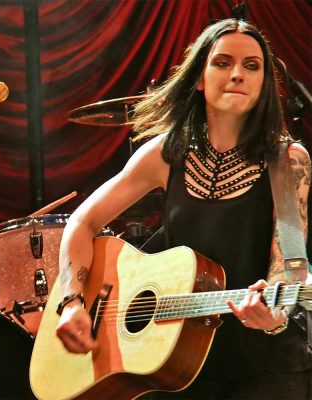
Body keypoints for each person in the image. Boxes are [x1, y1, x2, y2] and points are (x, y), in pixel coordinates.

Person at [55, 18, 311, 399]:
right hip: (173, 368)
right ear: (199, 78)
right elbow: (82, 221)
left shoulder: (288, 160)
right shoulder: (164, 154)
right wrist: (71, 302)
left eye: (251, 65)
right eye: (222, 63)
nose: (237, 74)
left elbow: (289, 267)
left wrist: (273, 317)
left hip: (266, 368)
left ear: (263, 86)